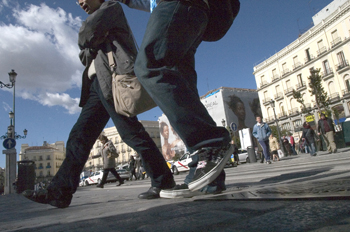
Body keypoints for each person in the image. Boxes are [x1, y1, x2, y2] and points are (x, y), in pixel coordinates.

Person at [22, 0, 176, 208]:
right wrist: (90, 41)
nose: (81, 3)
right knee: (79, 136)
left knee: (131, 134)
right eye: (77, 2)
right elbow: (84, 55)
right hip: (97, 86)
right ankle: (60, 192)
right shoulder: (100, 16)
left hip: (113, 82)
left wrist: (89, 38)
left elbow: (87, 32)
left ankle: (163, 179)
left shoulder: (111, 7)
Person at [117, 0, 238, 197]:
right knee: (182, 84)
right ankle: (207, 174)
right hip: (194, 13)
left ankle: (210, 142)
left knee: (150, 66)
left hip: (178, 5)